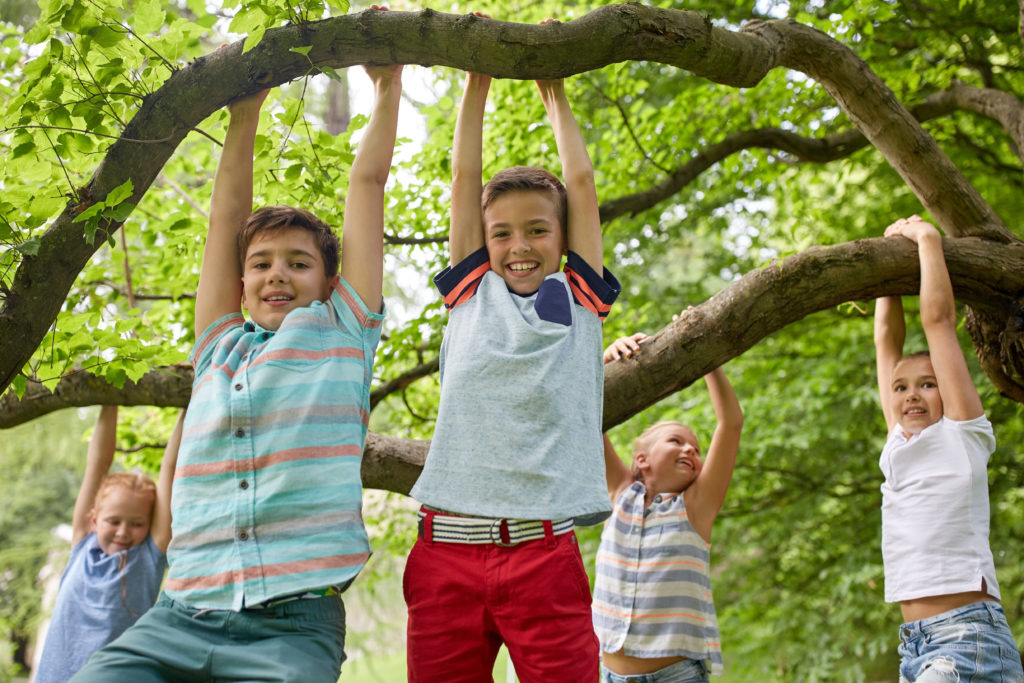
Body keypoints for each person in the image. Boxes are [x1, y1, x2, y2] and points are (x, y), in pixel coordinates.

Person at [71, 28, 403, 683]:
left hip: (291, 628)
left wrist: (387, 88)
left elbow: (367, 182)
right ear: (240, 282)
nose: (278, 274)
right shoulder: (218, 343)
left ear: (331, 283)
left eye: (298, 263)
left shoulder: (344, 329)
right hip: (180, 615)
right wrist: (244, 113)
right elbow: (226, 223)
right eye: (261, 264)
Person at [403, 17, 621, 682]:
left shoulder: (578, 297)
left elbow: (581, 186)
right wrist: (478, 79)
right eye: (503, 234)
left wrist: (553, 91)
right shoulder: (471, 292)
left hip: (541, 553)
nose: (519, 246)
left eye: (536, 231)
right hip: (446, 555)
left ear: (561, 238)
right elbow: (463, 176)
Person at [873, 215, 1023, 682]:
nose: (911, 394)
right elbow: (885, 339)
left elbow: (937, 321)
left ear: (949, 392)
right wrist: (882, 273)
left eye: (928, 384)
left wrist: (926, 238)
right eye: (900, 388)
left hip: (966, 639)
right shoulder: (897, 445)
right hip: (915, 647)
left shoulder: (963, 434)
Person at [593, 328, 743, 683]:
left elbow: (731, 423)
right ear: (642, 459)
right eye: (676, 441)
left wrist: (706, 356)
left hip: (676, 675)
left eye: (696, 449)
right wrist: (604, 363)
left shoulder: (695, 507)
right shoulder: (620, 494)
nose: (691, 450)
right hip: (610, 673)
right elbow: (584, 415)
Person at [34, 405, 181, 683]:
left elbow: (170, 469)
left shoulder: (149, 557)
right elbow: (98, 463)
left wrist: (187, 405)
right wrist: (109, 398)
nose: (123, 532)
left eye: (137, 524)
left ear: (150, 526)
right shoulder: (81, 545)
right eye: (113, 521)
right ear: (94, 519)